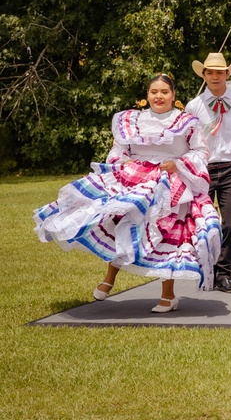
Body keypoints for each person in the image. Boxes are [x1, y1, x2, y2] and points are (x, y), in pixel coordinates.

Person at [34, 74, 221, 313]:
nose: (159, 96)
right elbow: (118, 149)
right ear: (147, 95)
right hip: (137, 178)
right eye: (154, 92)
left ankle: (168, 294)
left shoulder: (186, 122)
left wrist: (178, 164)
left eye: (164, 92)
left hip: (170, 183)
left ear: (174, 95)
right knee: (119, 221)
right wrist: (122, 165)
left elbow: (201, 152)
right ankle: (109, 278)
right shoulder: (131, 120)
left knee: (164, 232)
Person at [184, 52, 231, 293]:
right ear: (203, 75)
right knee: (203, 222)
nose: (215, 77)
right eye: (210, 72)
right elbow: (189, 139)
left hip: (229, 169)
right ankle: (205, 269)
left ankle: (224, 273)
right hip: (203, 170)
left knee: (230, 224)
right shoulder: (194, 105)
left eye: (220, 72)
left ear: (227, 74)